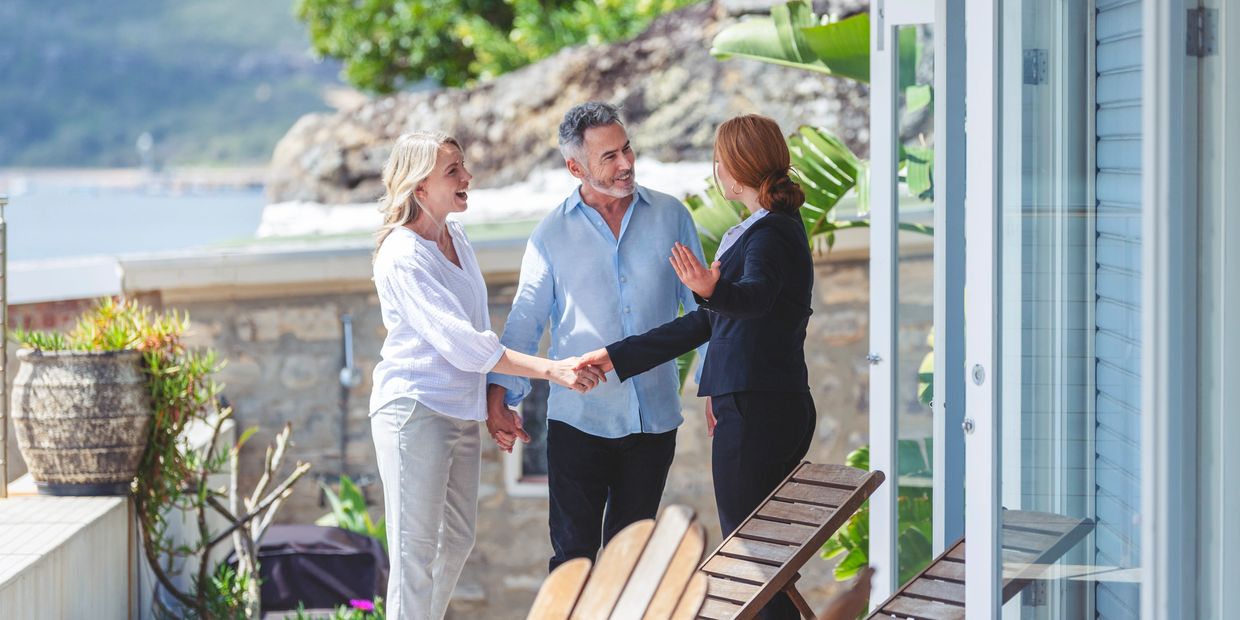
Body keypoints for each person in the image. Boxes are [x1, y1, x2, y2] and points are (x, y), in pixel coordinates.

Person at [576, 114, 816, 620]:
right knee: (762, 559)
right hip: (765, 405)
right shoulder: (761, 230)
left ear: (737, 167)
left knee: (752, 560)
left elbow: (753, 299)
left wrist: (712, 289)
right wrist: (618, 356)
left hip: (756, 408)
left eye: (719, 160)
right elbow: (706, 322)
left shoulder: (770, 233)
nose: (715, 170)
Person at [368, 131, 605, 620]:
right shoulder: (402, 255)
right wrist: (551, 369)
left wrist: (493, 404)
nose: (467, 177)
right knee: (415, 551)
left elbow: (477, 330)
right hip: (414, 411)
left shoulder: (457, 238)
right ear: (419, 186)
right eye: (453, 170)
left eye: (463, 166)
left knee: (456, 540)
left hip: (458, 413)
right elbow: (463, 344)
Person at [484, 102, 708, 572]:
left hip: (652, 420)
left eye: (627, 149)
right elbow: (526, 322)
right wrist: (499, 398)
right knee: (573, 561)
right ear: (575, 168)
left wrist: (715, 390)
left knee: (630, 563)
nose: (626, 163)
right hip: (579, 421)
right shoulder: (550, 235)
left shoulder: (671, 216)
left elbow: (702, 310)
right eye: (609, 157)